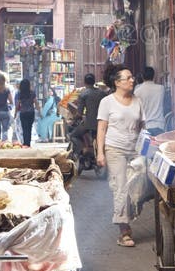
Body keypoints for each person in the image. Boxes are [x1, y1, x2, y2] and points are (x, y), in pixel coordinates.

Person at [96, 65, 145, 248]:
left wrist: (147, 147)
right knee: (121, 187)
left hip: (135, 149)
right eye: (128, 78)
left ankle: (127, 217)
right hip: (114, 149)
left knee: (137, 187)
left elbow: (142, 127)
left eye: (132, 77)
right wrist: (100, 152)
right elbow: (102, 128)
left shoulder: (138, 101)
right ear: (117, 82)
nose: (132, 80)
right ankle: (124, 231)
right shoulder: (107, 102)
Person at [70, 74, 105, 158]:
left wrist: (73, 120)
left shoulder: (83, 94)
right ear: (94, 81)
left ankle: (83, 150)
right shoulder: (102, 93)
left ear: (84, 82)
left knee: (73, 135)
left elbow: (79, 113)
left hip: (89, 123)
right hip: (102, 123)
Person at [134, 66, 166, 136]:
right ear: (154, 75)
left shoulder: (137, 92)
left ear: (142, 76)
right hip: (159, 126)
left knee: (146, 147)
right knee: (159, 146)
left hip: (145, 127)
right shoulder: (161, 89)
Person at [14, 79, 39, 147]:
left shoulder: (20, 93)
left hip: (23, 112)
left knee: (24, 128)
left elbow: (17, 104)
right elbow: (36, 102)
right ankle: (28, 143)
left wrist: (15, 113)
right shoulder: (32, 93)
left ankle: (25, 143)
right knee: (29, 128)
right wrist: (39, 111)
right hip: (31, 112)